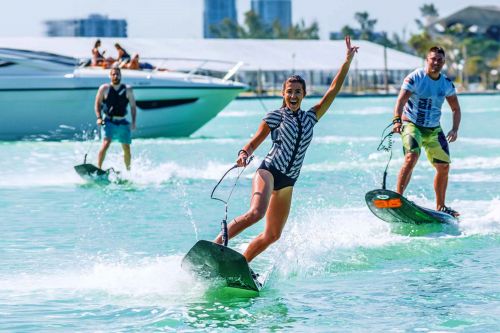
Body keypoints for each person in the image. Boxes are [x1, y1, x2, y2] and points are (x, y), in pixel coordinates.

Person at [214, 36, 359, 263]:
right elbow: (254, 142)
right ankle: (215, 246)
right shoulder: (275, 116)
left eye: (298, 92)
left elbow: (332, 90)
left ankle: (241, 263)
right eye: (289, 91)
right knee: (255, 214)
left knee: (273, 235)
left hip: (288, 182)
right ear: (283, 93)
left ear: (303, 94)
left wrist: (347, 61)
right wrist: (244, 153)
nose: (293, 96)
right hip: (268, 172)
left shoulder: (311, 117)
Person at [392, 46, 462, 217]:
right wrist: (396, 120)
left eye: (439, 60)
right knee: (411, 157)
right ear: (427, 60)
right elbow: (401, 100)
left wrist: (454, 129)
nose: (436, 62)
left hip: (433, 129)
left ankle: (441, 206)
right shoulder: (415, 77)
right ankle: (397, 199)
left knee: (444, 166)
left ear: (444, 63)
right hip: (412, 124)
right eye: (433, 59)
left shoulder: (446, 83)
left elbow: (456, 108)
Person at [94, 66, 137, 171]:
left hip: (122, 121)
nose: (116, 76)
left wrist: (133, 122)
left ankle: (128, 171)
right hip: (108, 121)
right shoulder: (104, 88)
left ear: (121, 75)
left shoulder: (128, 89)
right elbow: (97, 104)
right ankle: (99, 168)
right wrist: (99, 117)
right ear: (110, 76)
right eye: (113, 74)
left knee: (126, 148)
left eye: (117, 74)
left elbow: (133, 106)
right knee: (106, 143)